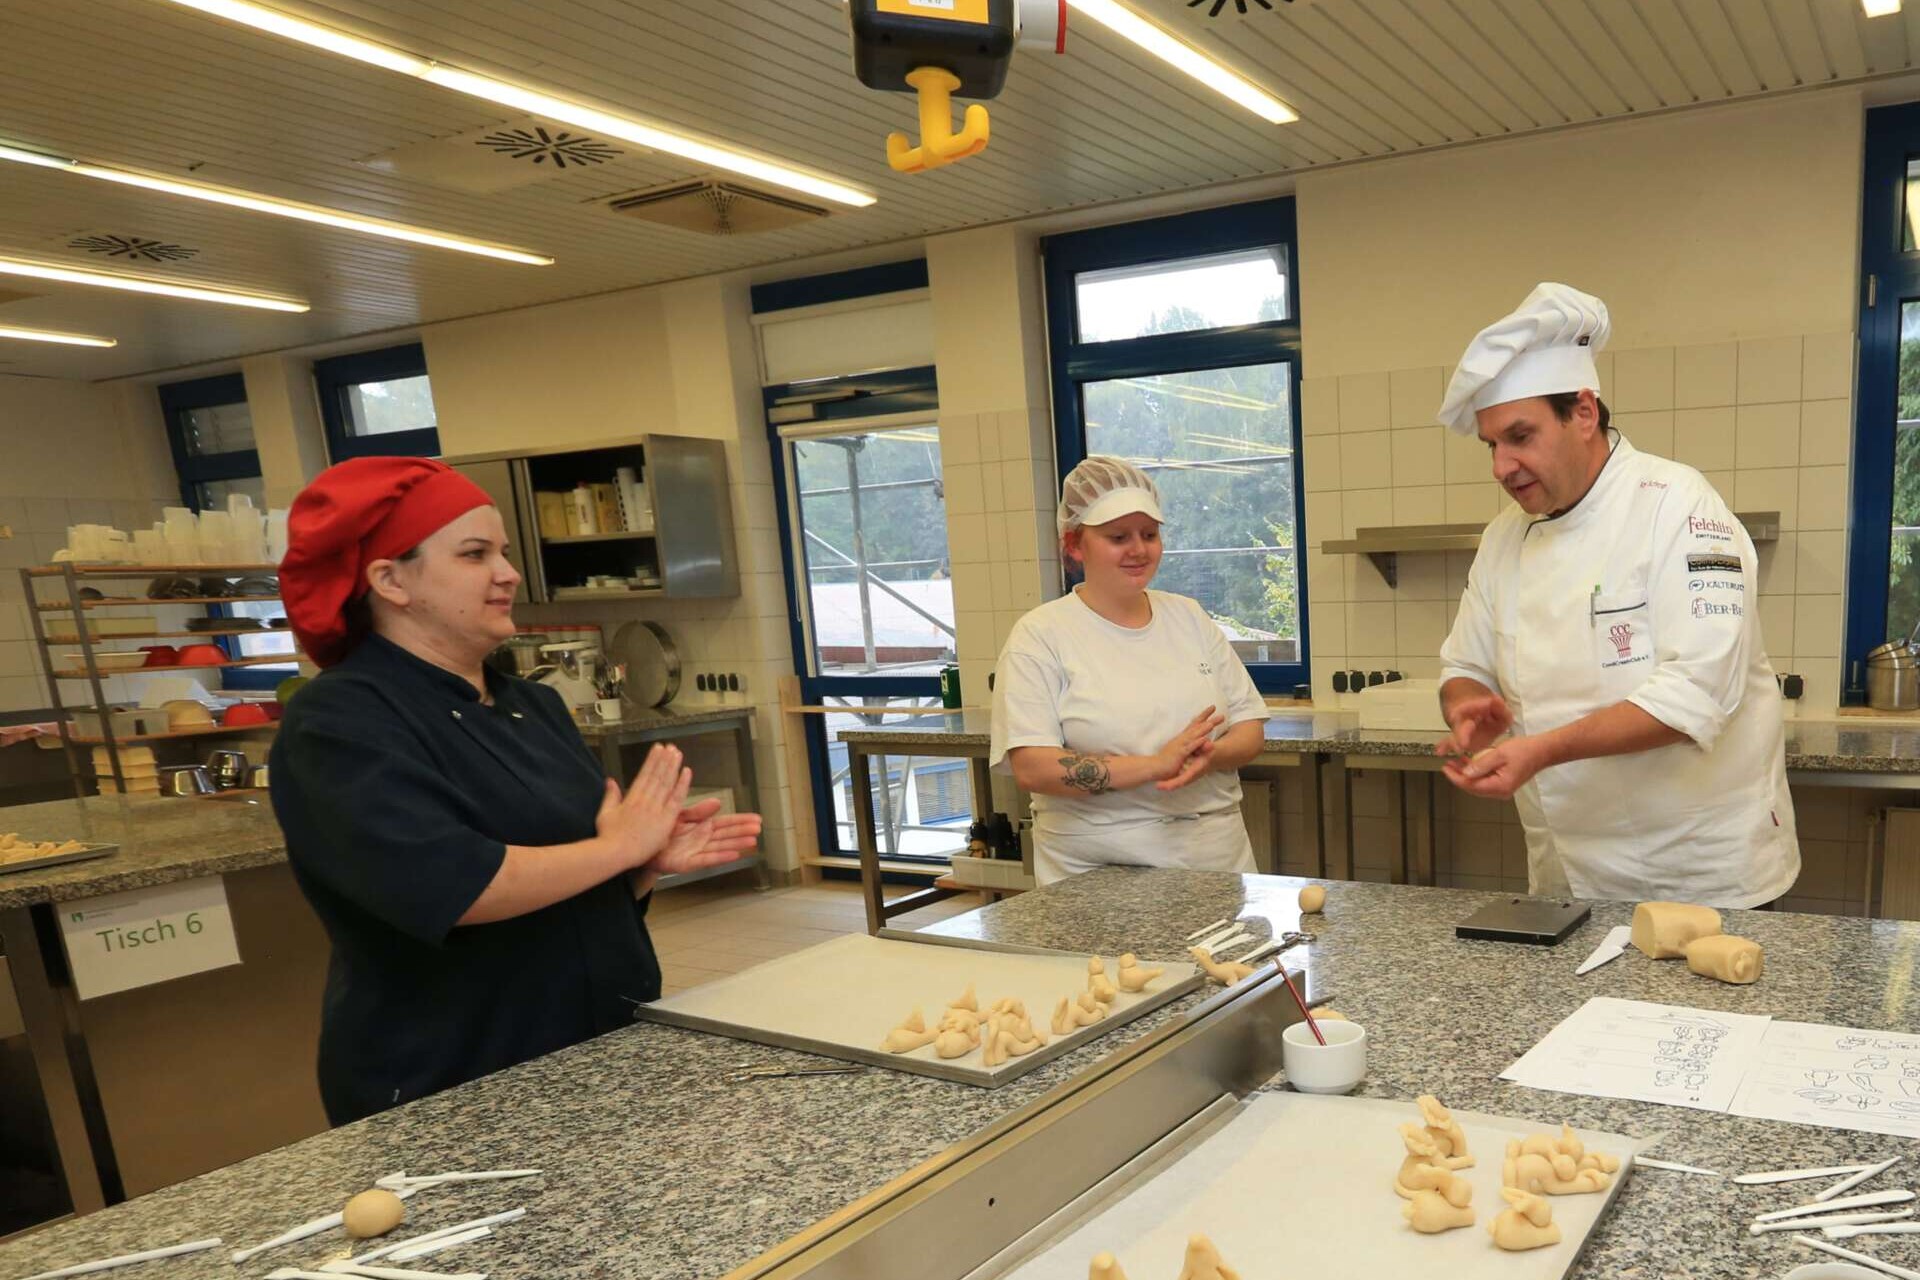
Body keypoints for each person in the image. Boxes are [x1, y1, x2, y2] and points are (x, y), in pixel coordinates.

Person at [269, 457, 760, 1123]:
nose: (508, 573)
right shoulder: (341, 722)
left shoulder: (532, 704)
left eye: (502, 552)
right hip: (452, 1080)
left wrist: (640, 867)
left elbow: (571, 877)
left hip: (594, 1050)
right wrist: (617, 850)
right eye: (475, 555)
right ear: (389, 579)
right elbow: (458, 888)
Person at [1433, 282, 1798, 908]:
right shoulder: (1503, 541)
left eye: (1520, 437)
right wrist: (1468, 704)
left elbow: (1696, 694)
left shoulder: (1679, 507)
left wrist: (1542, 749)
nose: (1501, 467)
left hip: (1700, 875)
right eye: (1491, 445)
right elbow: (1464, 665)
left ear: (1582, 411)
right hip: (1569, 876)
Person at [989, 456, 1270, 884]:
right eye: (1118, 536)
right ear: (1074, 545)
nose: (1139, 549)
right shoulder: (1041, 635)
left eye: (1150, 534)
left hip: (1216, 860)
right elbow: (1032, 766)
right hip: (1098, 871)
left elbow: (1249, 727)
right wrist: (1156, 764)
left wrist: (1208, 754)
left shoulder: (1188, 616)